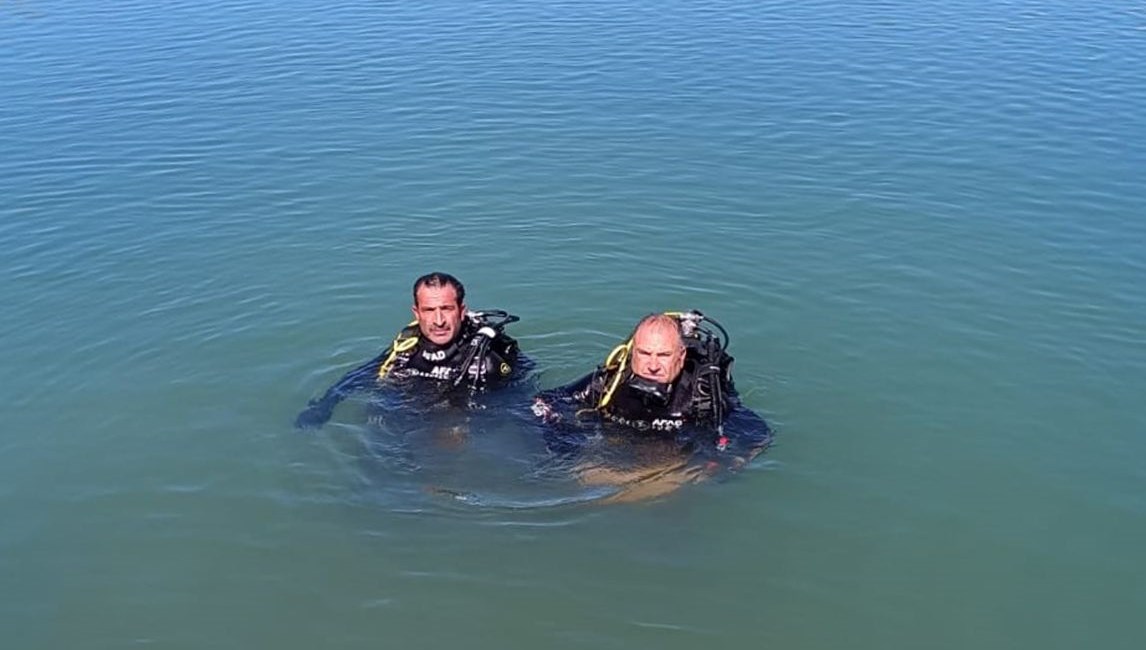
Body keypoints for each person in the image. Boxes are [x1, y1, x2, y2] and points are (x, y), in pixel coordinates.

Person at [531, 311, 771, 502]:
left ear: (681, 356)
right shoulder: (611, 383)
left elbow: (757, 434)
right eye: (645, 353)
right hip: (616, 453)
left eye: (663, 355)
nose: (652, 365)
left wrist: (714, 466)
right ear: (632, 352)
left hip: (671, 467)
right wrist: (565, 444)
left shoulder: (701, 394)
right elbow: (544, 402)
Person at [295, 272, 526, 429]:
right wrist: (325, 406)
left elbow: (514, 406)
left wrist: (458, 423)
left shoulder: (487, 358)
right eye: (429, 310)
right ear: (416, 313)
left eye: (446, 309)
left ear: (461, 310)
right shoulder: (408, 344)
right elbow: (362, 376)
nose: (438, 320)